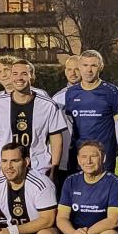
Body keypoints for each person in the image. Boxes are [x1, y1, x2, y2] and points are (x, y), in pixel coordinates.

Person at [0, 59, 67, 179]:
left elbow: (56, 139)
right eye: (15, 74)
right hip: (6, 171)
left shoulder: (47, 104)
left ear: (32, 76)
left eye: (24, 74)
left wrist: (53, 171)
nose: (19, 78)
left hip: (38, 170)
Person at [65, 50, 118, 173]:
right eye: (85, 65)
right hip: (79, 154)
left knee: (104, 190)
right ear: (79, 67)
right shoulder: (71, 93)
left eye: (93, 65)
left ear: (101, 67)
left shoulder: (111, 91)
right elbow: (69, 125)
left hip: (104, 154)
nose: (89, 70)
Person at [51, 55, 80, 191]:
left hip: (89, 157)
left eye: (77, 69)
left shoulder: (97, 95)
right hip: (65, 160)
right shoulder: (57, 99)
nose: (72, 73)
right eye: (69, 69)